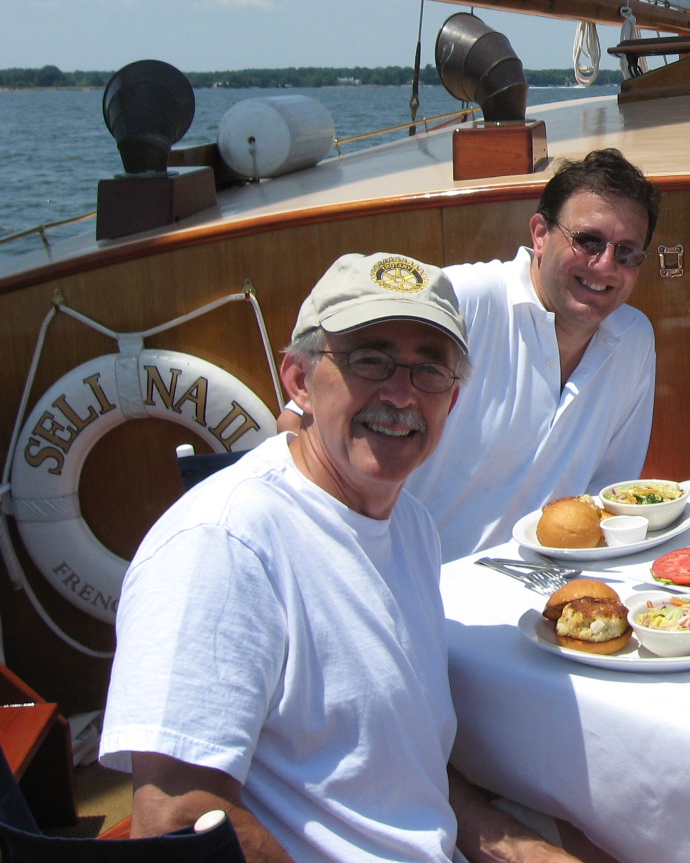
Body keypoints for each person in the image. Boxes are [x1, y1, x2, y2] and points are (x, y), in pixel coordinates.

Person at [100, 251, 578, 863]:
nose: (402, 395)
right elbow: (176, 821)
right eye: (370, 360)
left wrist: (515, 848)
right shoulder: (221, 546)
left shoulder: (409, 526)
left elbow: (403, 777)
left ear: (451, 402)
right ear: (299, 380)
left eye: (429, 370)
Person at [399, 148, 660, 559]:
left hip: (550, 582)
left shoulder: (634, 339)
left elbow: (609, 495)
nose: (606, 265)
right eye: (588, 241)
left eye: (627, 252)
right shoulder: (460, 301)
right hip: (423, 586)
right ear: (540, 234)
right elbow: (312, 424)